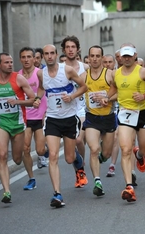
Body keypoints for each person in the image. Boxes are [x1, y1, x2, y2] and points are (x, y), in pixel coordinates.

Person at [107, 43, 145, 202]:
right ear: (120, 57)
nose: (126, 59)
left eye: (129, 56)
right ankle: (129, 187)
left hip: (142, 113)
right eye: (123, 56)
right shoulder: (115, 74)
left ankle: (139, 155)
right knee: (125, 149)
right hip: (125, 113)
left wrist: (144, 96)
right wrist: (106, 97)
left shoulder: (142, 71)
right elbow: (114, 89)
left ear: (134, 56)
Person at [34, 44, 87, 208]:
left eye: (52, 53)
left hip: (70, 118)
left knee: (69, 158)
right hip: (52, 119)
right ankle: (57, 193)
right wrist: (37, 98)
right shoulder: (41, 74)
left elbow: (84, 87)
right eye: (46, 54)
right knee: (53, 156)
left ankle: (78, 164)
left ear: (57, 54)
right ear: (43, 56)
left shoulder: (68, 70)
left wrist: (72, 96)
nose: (49, 56)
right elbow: (42, 89)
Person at [0, 52, 36, 203]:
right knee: (2, 155)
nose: (10, 64)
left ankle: (14, 165)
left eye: (11, 62)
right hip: (1, 122)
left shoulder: (18, 79)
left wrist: (18, 103)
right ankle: (6, 191)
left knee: (17, 158)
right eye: (6, 62)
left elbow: (33, 99)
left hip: (18, 123)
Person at [80, 45, 116, 197]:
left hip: (108, 117)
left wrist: (107, 98)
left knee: (106, 153)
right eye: (91, 56)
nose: (94, 59)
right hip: (92, 118)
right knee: (94, 149)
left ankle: (103, 155)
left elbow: (119, 93)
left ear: (102, 58)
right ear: (88, 58)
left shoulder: (110, 74)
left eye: (97, 56)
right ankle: (97, 181)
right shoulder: (83, 76)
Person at [61, 35, 90, 188]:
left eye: (73, 47)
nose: (70, 50)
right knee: (71, 151)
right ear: (64, 50)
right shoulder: (59, 68)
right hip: (65, 110)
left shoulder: (85, 67)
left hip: (81, 108)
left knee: (79, 140)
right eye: (68, 47)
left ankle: (81, 170)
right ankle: (78, 168)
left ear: (78, 49)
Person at [19, 47, 49, 191]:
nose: (26, 60)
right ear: (20, 59)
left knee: (40, 151)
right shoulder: (17, 76)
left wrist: (38, 101)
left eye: (29, 57)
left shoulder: (40, 73)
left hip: (39, 115)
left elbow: (44, 90)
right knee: (25, 148)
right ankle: (31, 178)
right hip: (25, 117)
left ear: (34, 58)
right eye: (23, 57)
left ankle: (46, 148)